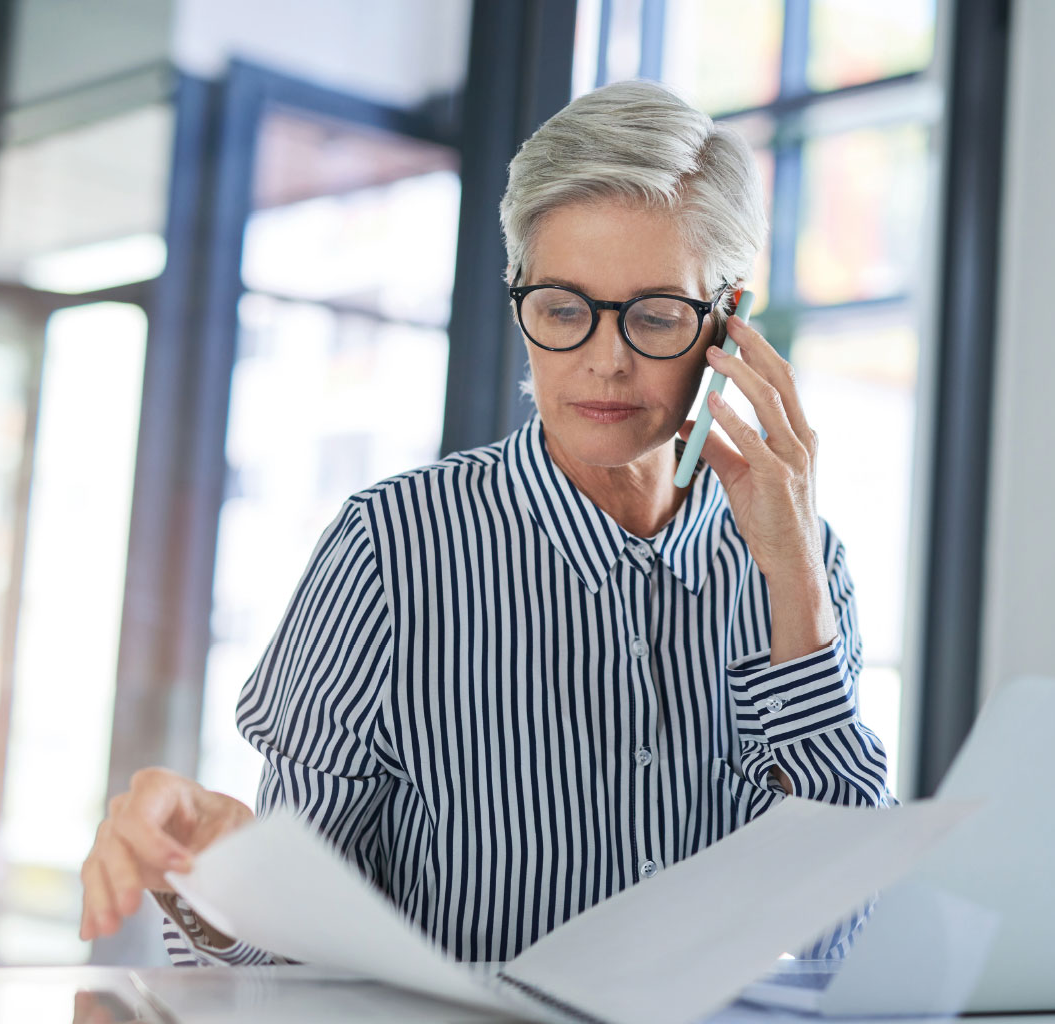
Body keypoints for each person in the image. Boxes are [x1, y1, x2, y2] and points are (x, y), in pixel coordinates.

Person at [78, 78, 895, 967]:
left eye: (657, 316)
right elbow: (286, 957)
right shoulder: (391, 551)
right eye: (562, 310)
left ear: (728, 323)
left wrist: (795, 585)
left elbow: (837, 937)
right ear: (520, 301)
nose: (606, 361)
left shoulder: (802, 569)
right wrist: (220, 876)